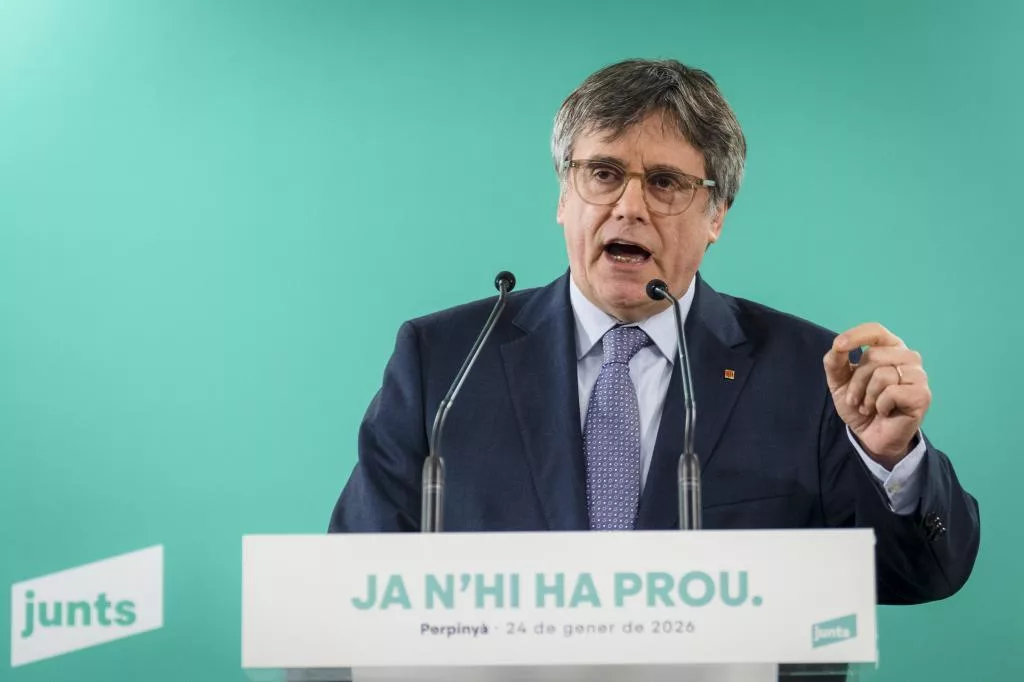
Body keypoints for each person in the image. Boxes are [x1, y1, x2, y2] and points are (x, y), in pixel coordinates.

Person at [328, 58, 979, 606]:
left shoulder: (814, 376)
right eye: (603, 174)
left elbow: (923, 576)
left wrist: (890, 460)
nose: (629, 206)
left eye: (665, 182)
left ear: (716, 214)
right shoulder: (444, 364)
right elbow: (353, 587)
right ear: (564, 196)